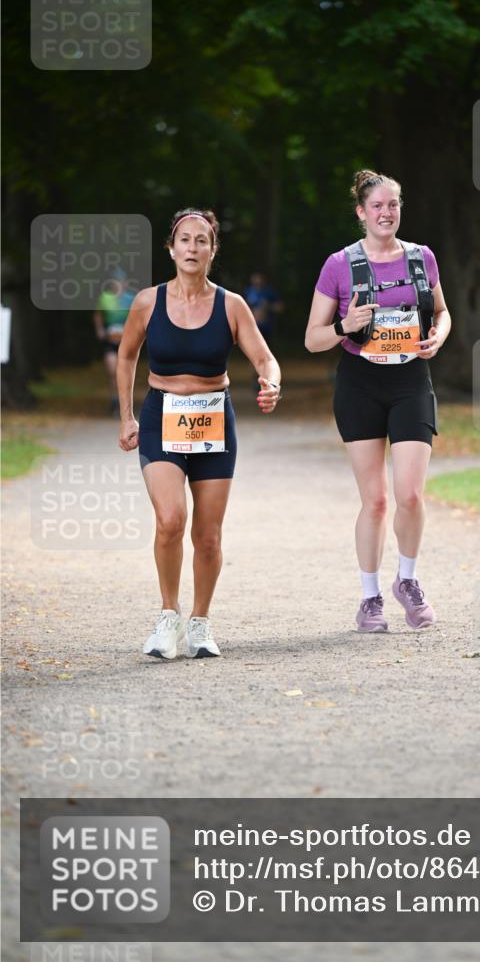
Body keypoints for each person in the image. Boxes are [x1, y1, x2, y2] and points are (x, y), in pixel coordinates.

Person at [117, 208, 281, 659]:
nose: (192, 248)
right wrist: (127, 416)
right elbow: (127, 357)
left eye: (201, 241)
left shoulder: (232, 305)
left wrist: (272, 383)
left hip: (214, 420)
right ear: (171, 248)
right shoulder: (148, 303)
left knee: (207, 535)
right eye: (184, 240)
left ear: (212, 250)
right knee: (171, 520)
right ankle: (168, 616)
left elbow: (265, 359)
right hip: (162, 417)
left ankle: (200, 622)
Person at [305, 169, 451, 633]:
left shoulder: (421, 258)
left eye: (394, 205)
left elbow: (443, 313)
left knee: (410, 494)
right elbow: (312, 340)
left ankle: (406, 581)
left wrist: (438, 338)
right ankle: (369, 598)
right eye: (378, 206)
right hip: (360, 383)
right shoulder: (339, 264)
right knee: (376, 501)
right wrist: (346, 325)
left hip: (411, 378)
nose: (387, 213)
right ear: (361, 213)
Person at [93, 272, 135, 416]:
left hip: (126, 341)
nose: (117, 285)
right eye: (115, 282)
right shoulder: (105, 298)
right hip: (110, 340)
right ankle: (114, 400)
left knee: (125, 372)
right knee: (112, 371)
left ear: (125, 283)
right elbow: (98, 315)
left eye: (120, 282)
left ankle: (126, 403)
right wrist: (100, 330)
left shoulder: (130, 299)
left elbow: (137, 317)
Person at [243, 271, 284, 343]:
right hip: (251, 327)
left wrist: (268, 306)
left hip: (266, 327)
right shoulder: (248, 291)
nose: (257, 281)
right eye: (255, 278)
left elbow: (280, 307)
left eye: (259, 278)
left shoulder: (270, 291)